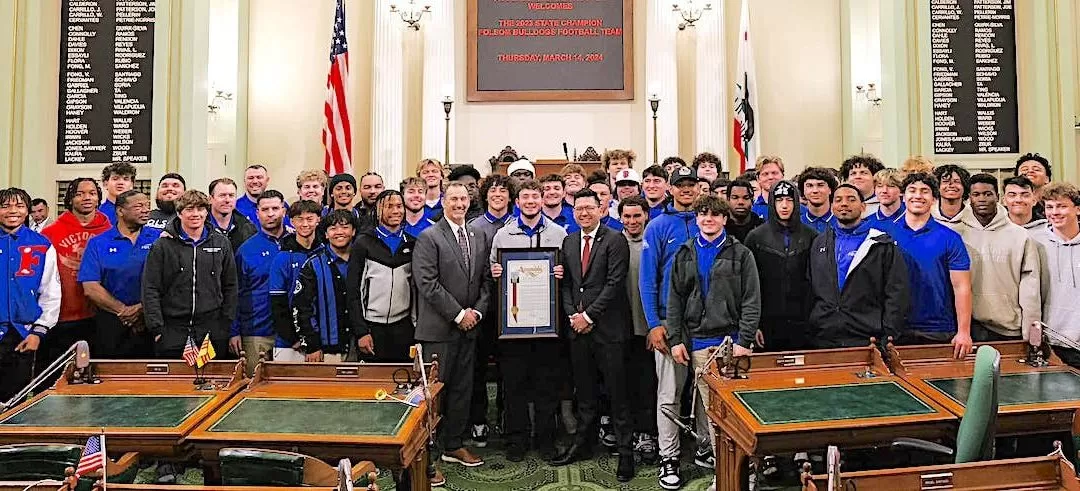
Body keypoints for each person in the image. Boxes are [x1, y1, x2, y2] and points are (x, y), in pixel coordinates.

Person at [666, 194, 760, 482]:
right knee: (712, 417)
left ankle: (747, 475)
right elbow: (675, 301)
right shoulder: (684, 253)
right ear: (696, 219)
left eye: (715, 215)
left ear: (724, 219)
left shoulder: (741, 254)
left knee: (739, 414)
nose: (708, 219)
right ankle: (725, 477)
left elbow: (751, 300)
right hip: (698, 344)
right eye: (703, 214)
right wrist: (676, 339)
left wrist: (744, 341)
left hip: (732, 344)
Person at [553, 188, 635, 483]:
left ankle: (626, 453)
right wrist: (573, 317)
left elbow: (614, 284)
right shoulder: (569, 240)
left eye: (590, 208)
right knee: (585, 394)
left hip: (609, 330)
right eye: (579, 209)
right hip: (578, 332)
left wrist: (588, 316)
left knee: (617, 394)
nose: (584, 213)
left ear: (602, 209)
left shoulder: (615, 240)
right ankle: (583, 445)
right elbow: (567, 286)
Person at [487, 179, 567, 462]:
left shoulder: (559, 234)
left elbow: (568, 275)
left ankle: (546, 439)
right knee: (514, 385)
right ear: (517, 202)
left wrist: (561, 273)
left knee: (547, 385)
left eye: (536, 196)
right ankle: (516, 440)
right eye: (525, 197)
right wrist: (496, 272)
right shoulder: (502, 235)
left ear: (543, 200)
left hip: (548, 326)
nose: (531, 201)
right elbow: (491, 272)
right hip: (513, 326)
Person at [413, 182, 491, 469]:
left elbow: (485, 282)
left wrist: (477, 314)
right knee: (434, 396)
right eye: (454, 199)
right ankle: (427, 459)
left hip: (470, 330)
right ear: (443, 201)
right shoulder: (429, 237)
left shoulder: (478, 235)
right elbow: (427, 284)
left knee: (462, 390)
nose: (459, 204)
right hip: (439, 331)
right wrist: (459, 315)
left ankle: (454, 445)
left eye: (463, 199)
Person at [639, 165, 701, 490]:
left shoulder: (709, 224)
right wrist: (653, 324)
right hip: (669, 324)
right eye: (681, 185)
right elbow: (648, 280)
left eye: (692, 185)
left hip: (706, 326)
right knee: (669, 394)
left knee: (706, 394)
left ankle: (706, 449)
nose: (687, 190)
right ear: (671, 190)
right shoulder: (658, 226)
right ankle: (669, 456)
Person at [807, 184, 908, 348]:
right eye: (838, 200)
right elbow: (810, 287)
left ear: (863, 206)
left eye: (851, 199)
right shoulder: (820, 242)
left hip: (867, 338)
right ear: (832, 207)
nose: (844, 204)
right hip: (824, 336)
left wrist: (888, 333)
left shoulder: (881, 243)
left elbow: (896, 293)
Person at [142, 190, 237, 359]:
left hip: (212, 329)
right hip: (172, 330)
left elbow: (230, 285)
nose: (195, 214)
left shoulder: (221, 242)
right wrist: (157, 329)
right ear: (179, 213)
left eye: (200, 209)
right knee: (174, 384)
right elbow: (150, 288)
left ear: (207, 212)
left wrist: (225, 324)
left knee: (212, 382)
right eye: (189, 209)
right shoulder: (162, 245)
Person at [890, 173, 972, 358]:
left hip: (938, 329)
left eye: (924, 191)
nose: (918, 196)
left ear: (934, 199)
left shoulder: (950, 238)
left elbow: (962, 287)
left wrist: (964, 332)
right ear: (903, 197)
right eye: (912, 190)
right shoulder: (887, 234)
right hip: (895, 329)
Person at [957, 174, 1041, 341]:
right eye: (976, 194)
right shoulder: (957, 234)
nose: (982, 199)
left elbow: (1030, 290)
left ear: (998, 197)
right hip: (967, 326)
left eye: (988, 194)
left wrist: (1030, 336)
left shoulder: (1020, 236)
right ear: (968, 199)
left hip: (1008, 329)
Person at [40, 178, 112, 371]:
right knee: (55, 378)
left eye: (92, 193)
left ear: (98, 198)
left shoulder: (110, 231)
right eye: (79, 194)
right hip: (61, 317)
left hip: (100, 317)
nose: (86, 198)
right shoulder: (50, 233)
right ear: (70, 199)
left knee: (94, 377)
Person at [78, 190, 158, 359]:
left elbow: (170, 281)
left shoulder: (160, 239)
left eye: (147, 206)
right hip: (110, 324)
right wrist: (124, 311)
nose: (145, 210)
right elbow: (90, 286)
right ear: (120, 211)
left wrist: (141, 309)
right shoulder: (98, 243)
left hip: (151, 322)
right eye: (139, 206)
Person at [466, 174, 514, 448]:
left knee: (511, 367)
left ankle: (508, 417)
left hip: (515, 307)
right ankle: (479, 420)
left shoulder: (518, 224)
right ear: (485, 195)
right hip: (483, 306)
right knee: (478, 367)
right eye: (493, 190)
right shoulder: (475, 226)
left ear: (510, 196)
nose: (498, 194)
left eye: (503, 190)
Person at [0, 188, 60, 401]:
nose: (12, 211)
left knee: (15, 402)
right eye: (5, 206)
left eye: (19, 206)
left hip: (22, 335)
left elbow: (51, 292)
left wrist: (38, 332)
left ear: (27, 211)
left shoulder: (42, 245)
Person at [744, 180, 817, 352]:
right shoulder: (755, 237)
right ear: (772, 203)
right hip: (767, 324)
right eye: (779, 200)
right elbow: (749, 287)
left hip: (804, 325)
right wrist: (754, 325)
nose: (784, 205)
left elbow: (817, 284)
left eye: (789, 200)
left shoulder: (811, 236)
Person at [347, 190, 417, 363]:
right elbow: (353, 291)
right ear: (378, 210)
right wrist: (361, 331)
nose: (395, 211)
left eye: (399, 206)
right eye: (389, 206)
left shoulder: (413, 243)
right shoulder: (363, 243)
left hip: (403, 327)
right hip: (372, 327)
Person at [619, 195, 659, 465]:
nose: (632, 221)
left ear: (646, 215)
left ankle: (647, 433)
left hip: (647, 330)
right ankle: (626, 433)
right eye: (627, 216)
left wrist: (653, 327)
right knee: (623, 385)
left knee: (647, 385)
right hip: (619, 330)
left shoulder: (653, 241)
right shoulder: (612, 241)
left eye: (637, 216)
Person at [231, 190, 287, 372]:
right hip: (256, 332)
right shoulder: (246, 250)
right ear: (257, 213)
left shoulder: (297, 244)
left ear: (284, 211)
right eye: (265, 209)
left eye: (275, 208)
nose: (270, 214)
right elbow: (235, 293)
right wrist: (234, 331)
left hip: (291, 335)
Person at [292, 210, 359, 363]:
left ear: (353, 231)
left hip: (360, 346)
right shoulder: (313, 265)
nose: (339, 232)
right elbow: (302, 308)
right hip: (326, 351)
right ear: (326, 234)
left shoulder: (363, 262)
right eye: (333, 228)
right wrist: (312, 345)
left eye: (345, 227)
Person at [1031, 183, 1080, 367]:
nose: (1055, 212)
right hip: (1050, 342)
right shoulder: (1035, 241)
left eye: (1061, 206)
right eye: (1049, 207)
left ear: (1077, 209)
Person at [268, 200, 324, 361]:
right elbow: (278, 303)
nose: (305, 223)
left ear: (318, 219)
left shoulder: (325, 254)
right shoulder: (282, 258)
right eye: (299, 219)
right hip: (289, 344)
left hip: (322, 341)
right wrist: (294, 339)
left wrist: (315, 340)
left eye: (310, 218)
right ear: (291, 221)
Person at [207, 178, 257, 252]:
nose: (227, 200)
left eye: (231, 195)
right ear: (210, 199)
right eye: (222, 195)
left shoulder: (248, 229)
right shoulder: (200, 226)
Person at [839, 154, 885, 218]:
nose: (858, 177)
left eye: (864, 173)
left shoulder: (884, 204)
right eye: (853, 173)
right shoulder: (840, 205)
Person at [797, 167, 838, 233]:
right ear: (803, 190)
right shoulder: (796, 224)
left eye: (820, 185)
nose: (815, 190)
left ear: (830, 189)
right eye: (810, 185)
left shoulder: (841, 223)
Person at [931, 164, 970, 228]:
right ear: (937, 186)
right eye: (945, 181)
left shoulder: (973, 216)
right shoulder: (927, 216)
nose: (951, 185)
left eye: (957, 182)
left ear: (964, 186)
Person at [1015, 152, 1051, 219]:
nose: (1030, 171)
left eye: (1036, 169)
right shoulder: (1011, 205)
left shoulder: (1052, 205)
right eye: (1025, 169)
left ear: (1047, 179)